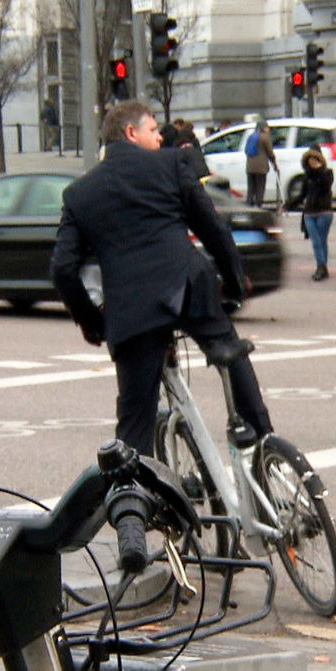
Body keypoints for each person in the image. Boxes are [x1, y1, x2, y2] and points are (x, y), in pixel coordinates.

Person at [50, 99, 272, 457]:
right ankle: (264, 441)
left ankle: (139, 499)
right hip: (190, 287)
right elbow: (211, 226)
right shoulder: (171, 164)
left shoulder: (80, 193)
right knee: (230, 354)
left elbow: (62, 268)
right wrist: (234, 279)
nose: (158, 138)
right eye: (153, 130)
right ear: (131, 133)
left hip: (134, 312)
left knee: (134, 427)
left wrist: (93, 322)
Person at [300, 147, 334, 281]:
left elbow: (326, 186)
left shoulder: (326, 173)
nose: (312, 163)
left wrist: (319, 170)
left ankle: (322, 267)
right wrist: (289, 205)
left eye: (315, 160)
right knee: (316, 241)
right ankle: (321, 266)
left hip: (324, 212)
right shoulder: (306, 176)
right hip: (309, 213)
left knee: (321, 240)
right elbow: (303, 194)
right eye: (310, 160)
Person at [243, 121, 277, 207]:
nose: (268, 129)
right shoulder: (265, 137)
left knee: (251, 189)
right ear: (263, 128)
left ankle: (249, 205)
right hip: (261, 168)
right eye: (267, 127)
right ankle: (258, 205)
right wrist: (275, 164)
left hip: (250, 167)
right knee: (260, 188)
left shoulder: (251, 136)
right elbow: (270, 153)